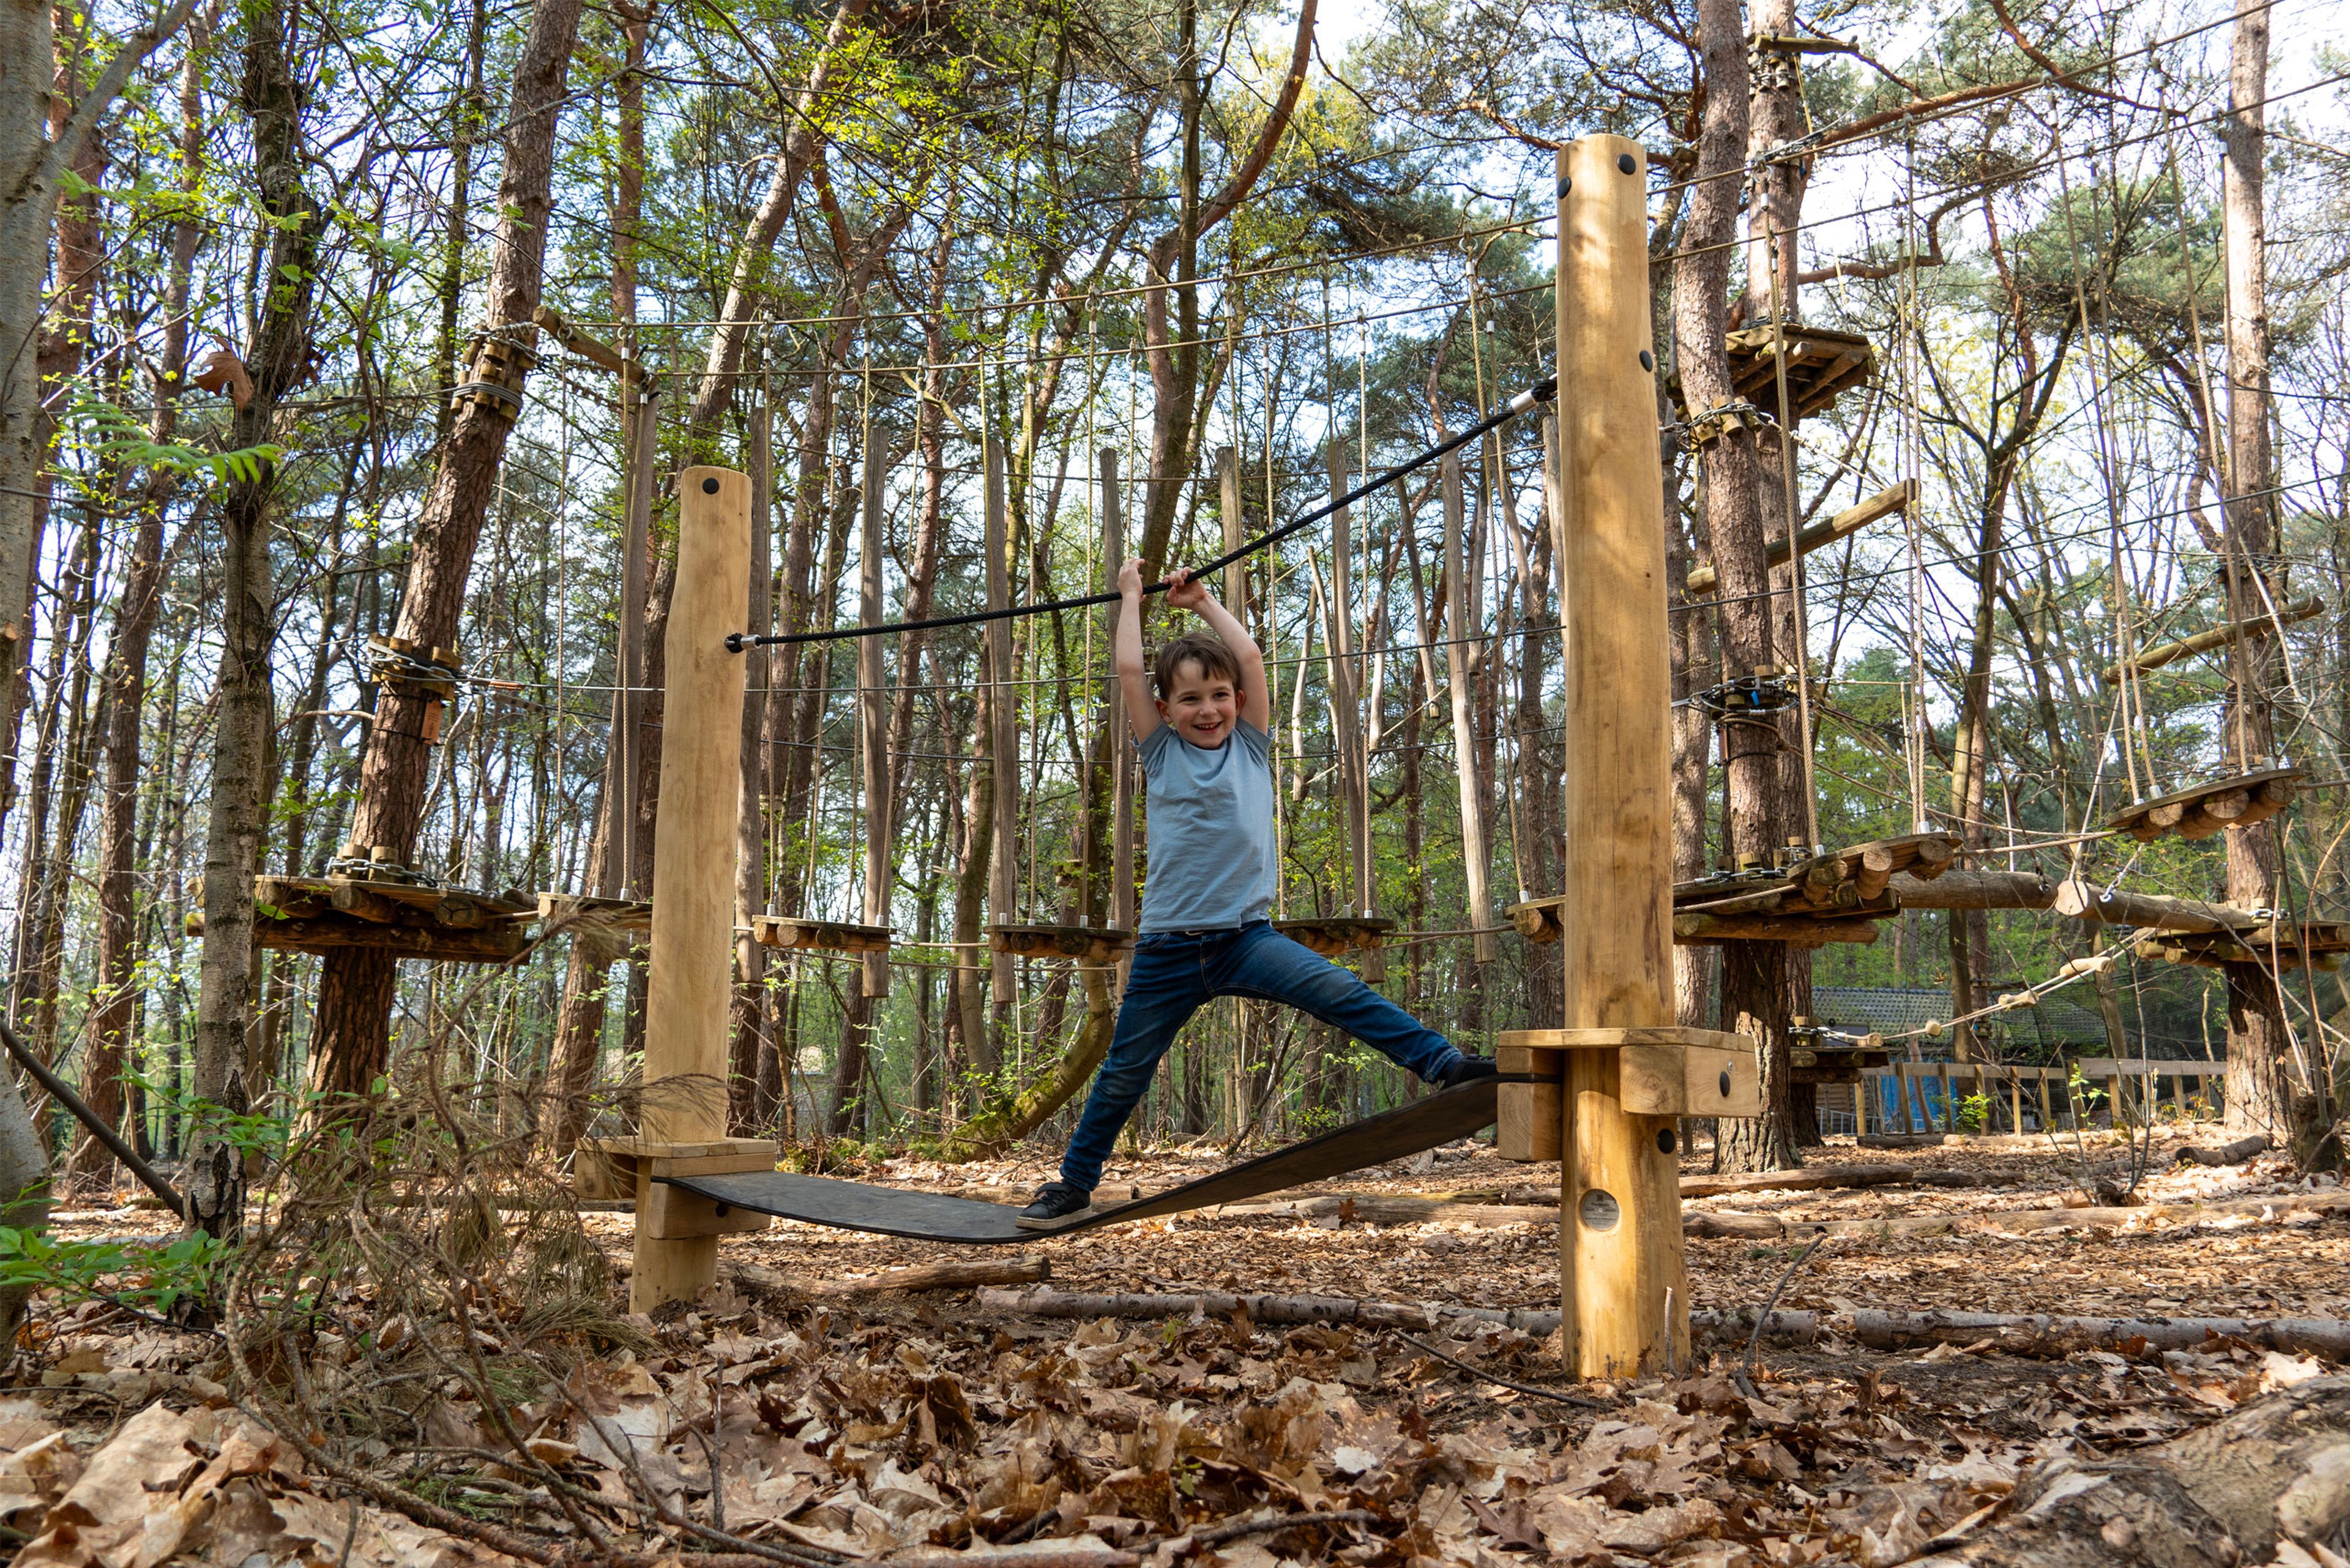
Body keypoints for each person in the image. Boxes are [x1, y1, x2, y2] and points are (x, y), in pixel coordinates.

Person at [1016, 559, 1496, 1230]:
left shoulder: (1251, 745)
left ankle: (1445, 1065)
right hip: (1168, 950)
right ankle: (1072, 1184)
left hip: (1247, 939)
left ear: (1237, 701)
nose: (1206, 709)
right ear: (1164, 711)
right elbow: (1129, 670)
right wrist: (1132, 594)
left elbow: (1247, 654)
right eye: (1189, 700)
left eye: (1217, 695)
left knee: (1342, 993)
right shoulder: (1160, 752)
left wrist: (1205, 602)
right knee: (1125, 1071)